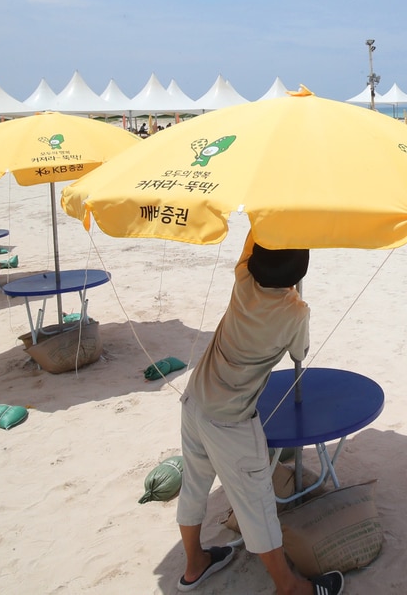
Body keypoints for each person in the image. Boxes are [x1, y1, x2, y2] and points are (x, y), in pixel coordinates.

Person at [175, 235, 343, 595]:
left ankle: (194, 564)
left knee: (194, 485)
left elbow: (254, 238)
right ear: (300, 271)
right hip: (231, 419)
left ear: (255, 262)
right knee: (258, 506)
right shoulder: (295, 312)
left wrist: (268, 221)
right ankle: (289, 586)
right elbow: (300, 349)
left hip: (195, 399)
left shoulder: (242, 279)